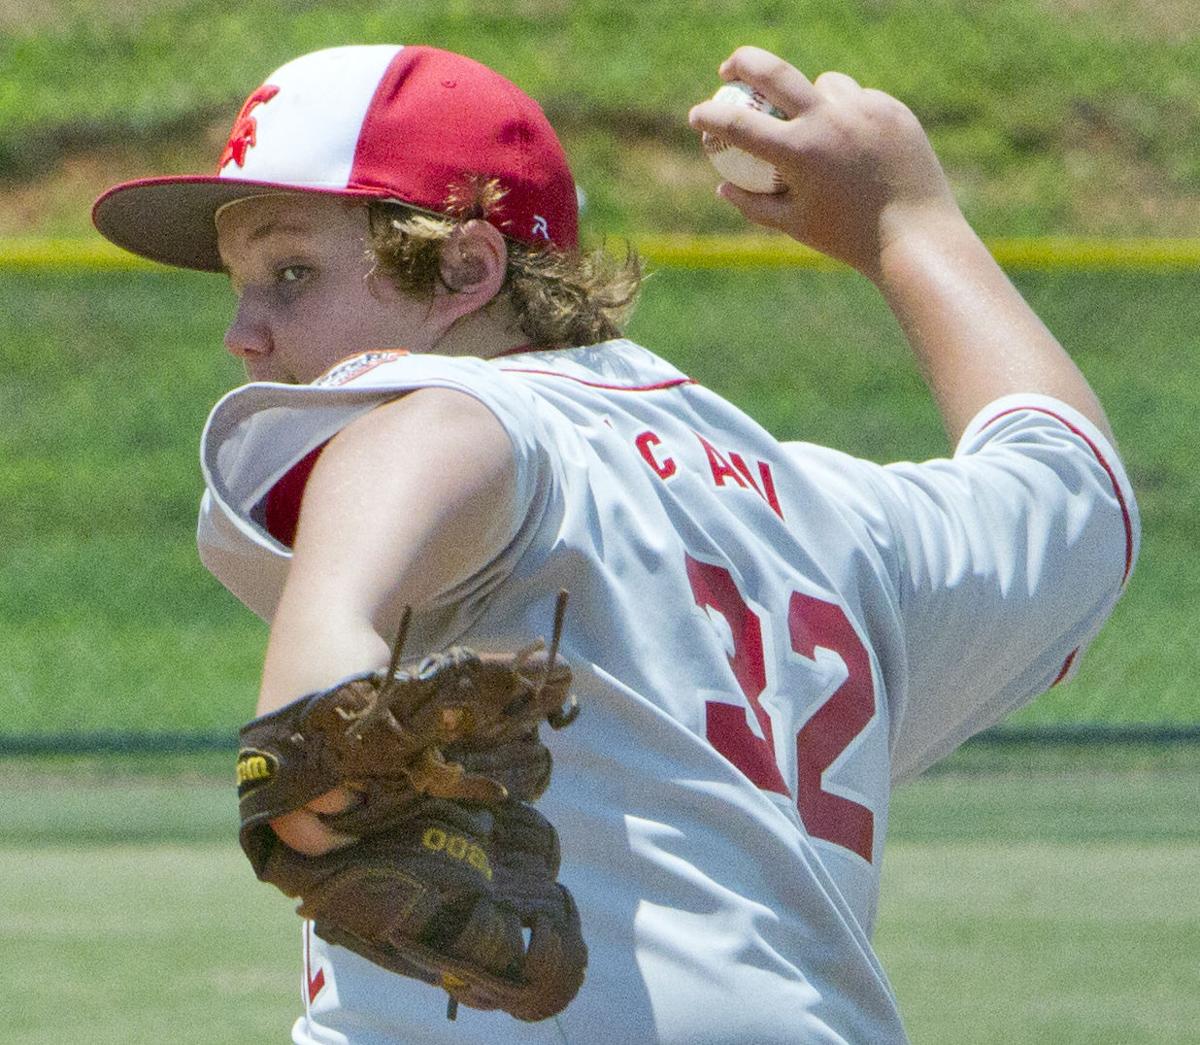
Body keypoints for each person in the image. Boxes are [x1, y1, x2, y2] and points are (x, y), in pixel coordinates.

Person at [93, 42, 1138, 1044]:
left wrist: (325, 685)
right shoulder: (833, 515)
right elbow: (1074, 492)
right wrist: (911, 226)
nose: (244, 332)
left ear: (466, 267)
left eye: (289, 274)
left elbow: (434, 440)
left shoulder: (467, 418)